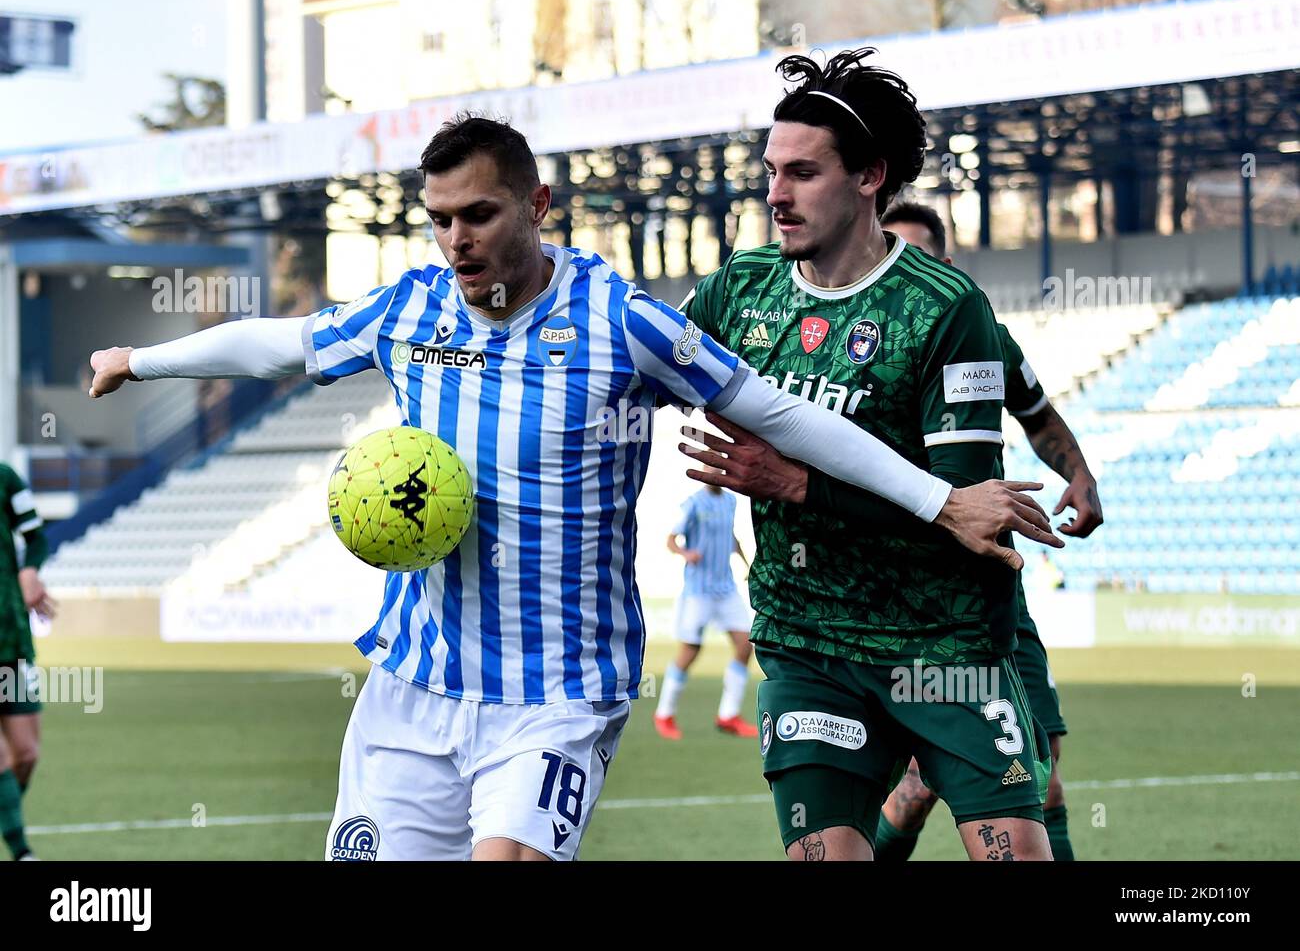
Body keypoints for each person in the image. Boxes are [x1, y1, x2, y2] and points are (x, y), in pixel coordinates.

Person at [89, 114, 1059, 862]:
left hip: (554, 694)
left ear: (538, 204)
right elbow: (286, 346)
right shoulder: (412, 308)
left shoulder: (621, 322)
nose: (457, 240)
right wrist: (141, 358)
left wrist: (940, 497)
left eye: (479, 214)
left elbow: (775, 410)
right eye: (439, 221)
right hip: (414, 684)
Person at [679, 48, 1065, 860]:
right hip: (808, 640)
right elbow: (631, 365)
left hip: (942, 647)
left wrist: (796, 485)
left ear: (869, 177)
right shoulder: (736, 292)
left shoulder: (946, 308)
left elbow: (964, 514)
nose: (777, 196)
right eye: (771, 171)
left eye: (803, 173)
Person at [871, 201, 1103, 862]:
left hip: (990, 592)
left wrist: (1080, 475)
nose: (903, 276)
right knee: (913, 790)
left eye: (918, 260)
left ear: (946, 267)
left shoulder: (983, 335)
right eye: (892, 260)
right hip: (890, 603)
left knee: (1042, 772)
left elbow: (1036, 412)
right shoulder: (854, 347)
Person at [654, 475, 757, 740]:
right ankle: (664, 714)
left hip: (726, 589)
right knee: (691, 650)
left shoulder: (731, 501)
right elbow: (671, 539)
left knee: (746, 644)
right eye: (707, 464)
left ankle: (728, 715)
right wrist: (686, 554)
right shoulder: (693, 504)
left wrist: (746, 565)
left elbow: (730, 536)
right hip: (698, 591)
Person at [0, 462, 55, 861]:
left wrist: (30, 573)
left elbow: (36, 538)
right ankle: (22, 852)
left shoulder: (6, 478)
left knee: (26, 754)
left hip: (12, 637)